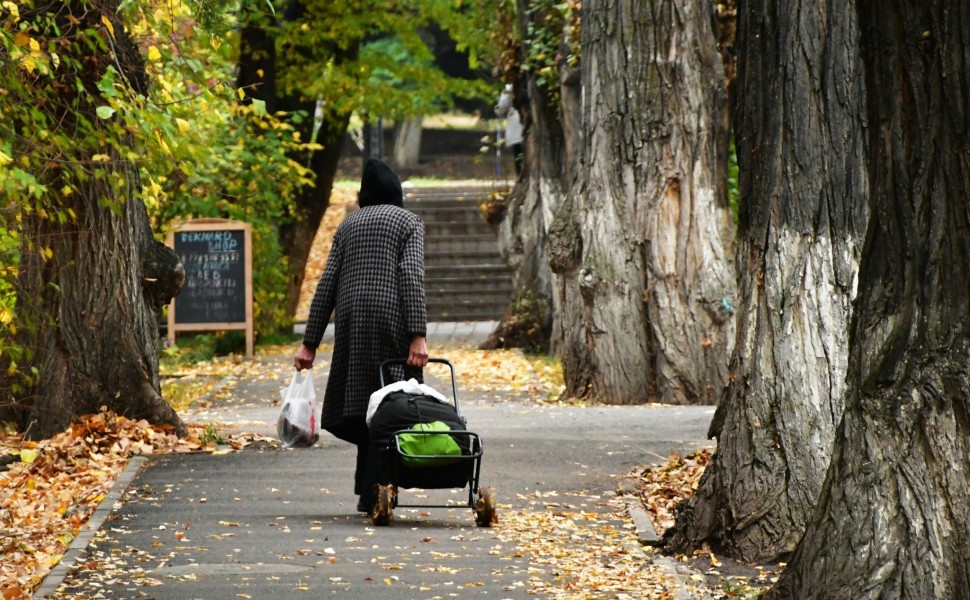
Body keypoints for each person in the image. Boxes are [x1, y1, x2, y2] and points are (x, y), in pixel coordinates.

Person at [294, 158, 429, 513]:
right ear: (396, 192)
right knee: (393, 401)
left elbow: (327, 284)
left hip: (352, 319)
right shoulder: (409, 223)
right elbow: (410, 276)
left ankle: (368, 488)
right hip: (391, 318)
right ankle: (378, 488)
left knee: (363, 402)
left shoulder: (348, 225)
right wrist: (417, 334)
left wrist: (310, 342)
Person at [495, 83, 524, 177]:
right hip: (519, 125)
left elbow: (502, 107)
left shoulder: (510, 86)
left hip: (517, 126)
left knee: (518, 152)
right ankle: (521, 176)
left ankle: (520, 176)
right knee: (519, 152)